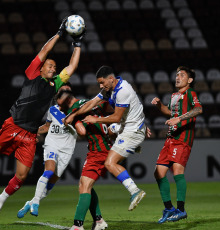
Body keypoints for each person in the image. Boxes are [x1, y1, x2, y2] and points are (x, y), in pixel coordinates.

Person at [0, 18, 85, 221]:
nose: (53, 68)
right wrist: (59, 34)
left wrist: (77, 44)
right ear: (41, 68)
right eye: (50, 65)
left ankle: (0, 199)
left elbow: (72, 66)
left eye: (54, 66)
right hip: (13, 126)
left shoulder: (55, 83)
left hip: (30, 134)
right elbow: (44, 51)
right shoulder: (32, 73)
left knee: (22, 176)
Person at [65, 65, 147, 211]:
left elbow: (116, 116)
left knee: (110, 163)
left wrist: (95, 120)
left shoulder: (123, 91)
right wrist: (74, 114)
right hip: (127, 127)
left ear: (111, 79)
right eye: (99, 84)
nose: (101, 86)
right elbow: (91, 103)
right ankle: (134, 146)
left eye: (102, 83)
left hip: (131, 130)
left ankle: (135, 191)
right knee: (109, 131)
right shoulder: (111, 88)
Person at [17, 83, 78, 218]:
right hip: (52, 144)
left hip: (67, 151)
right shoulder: (53, 110)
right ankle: (36, 203)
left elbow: (81, 131)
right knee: (49, 171)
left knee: (50, 186)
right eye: (63, 91)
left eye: (68, 91)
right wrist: (31, 132)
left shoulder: (78, 111)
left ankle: (30, 202)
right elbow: (47, 127)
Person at [151, 66, 203, 223]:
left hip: (182, 138)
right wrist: (160, 105)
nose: (177, 77)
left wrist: (179, 119)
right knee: (158, 172)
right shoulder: (174, 95)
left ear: (190, 80)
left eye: (182, 75)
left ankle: (181, 210)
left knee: (177, 171)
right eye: (176, 75)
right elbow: (170, 113)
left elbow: (199, 109)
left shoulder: (190, 93)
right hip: (170, 138)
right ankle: (168, 208)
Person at [56, 89, 113, 230]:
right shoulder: (90, 103)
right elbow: (110, 107)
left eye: (61, 106)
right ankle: (98, 221)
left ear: (68, 101)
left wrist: (71, 122)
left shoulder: (75, 110)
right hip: (106, 146)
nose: (60, 109)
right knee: (84, 184)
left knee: (84, 186)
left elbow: (82, 131)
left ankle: (77, 225)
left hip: (98, 150)